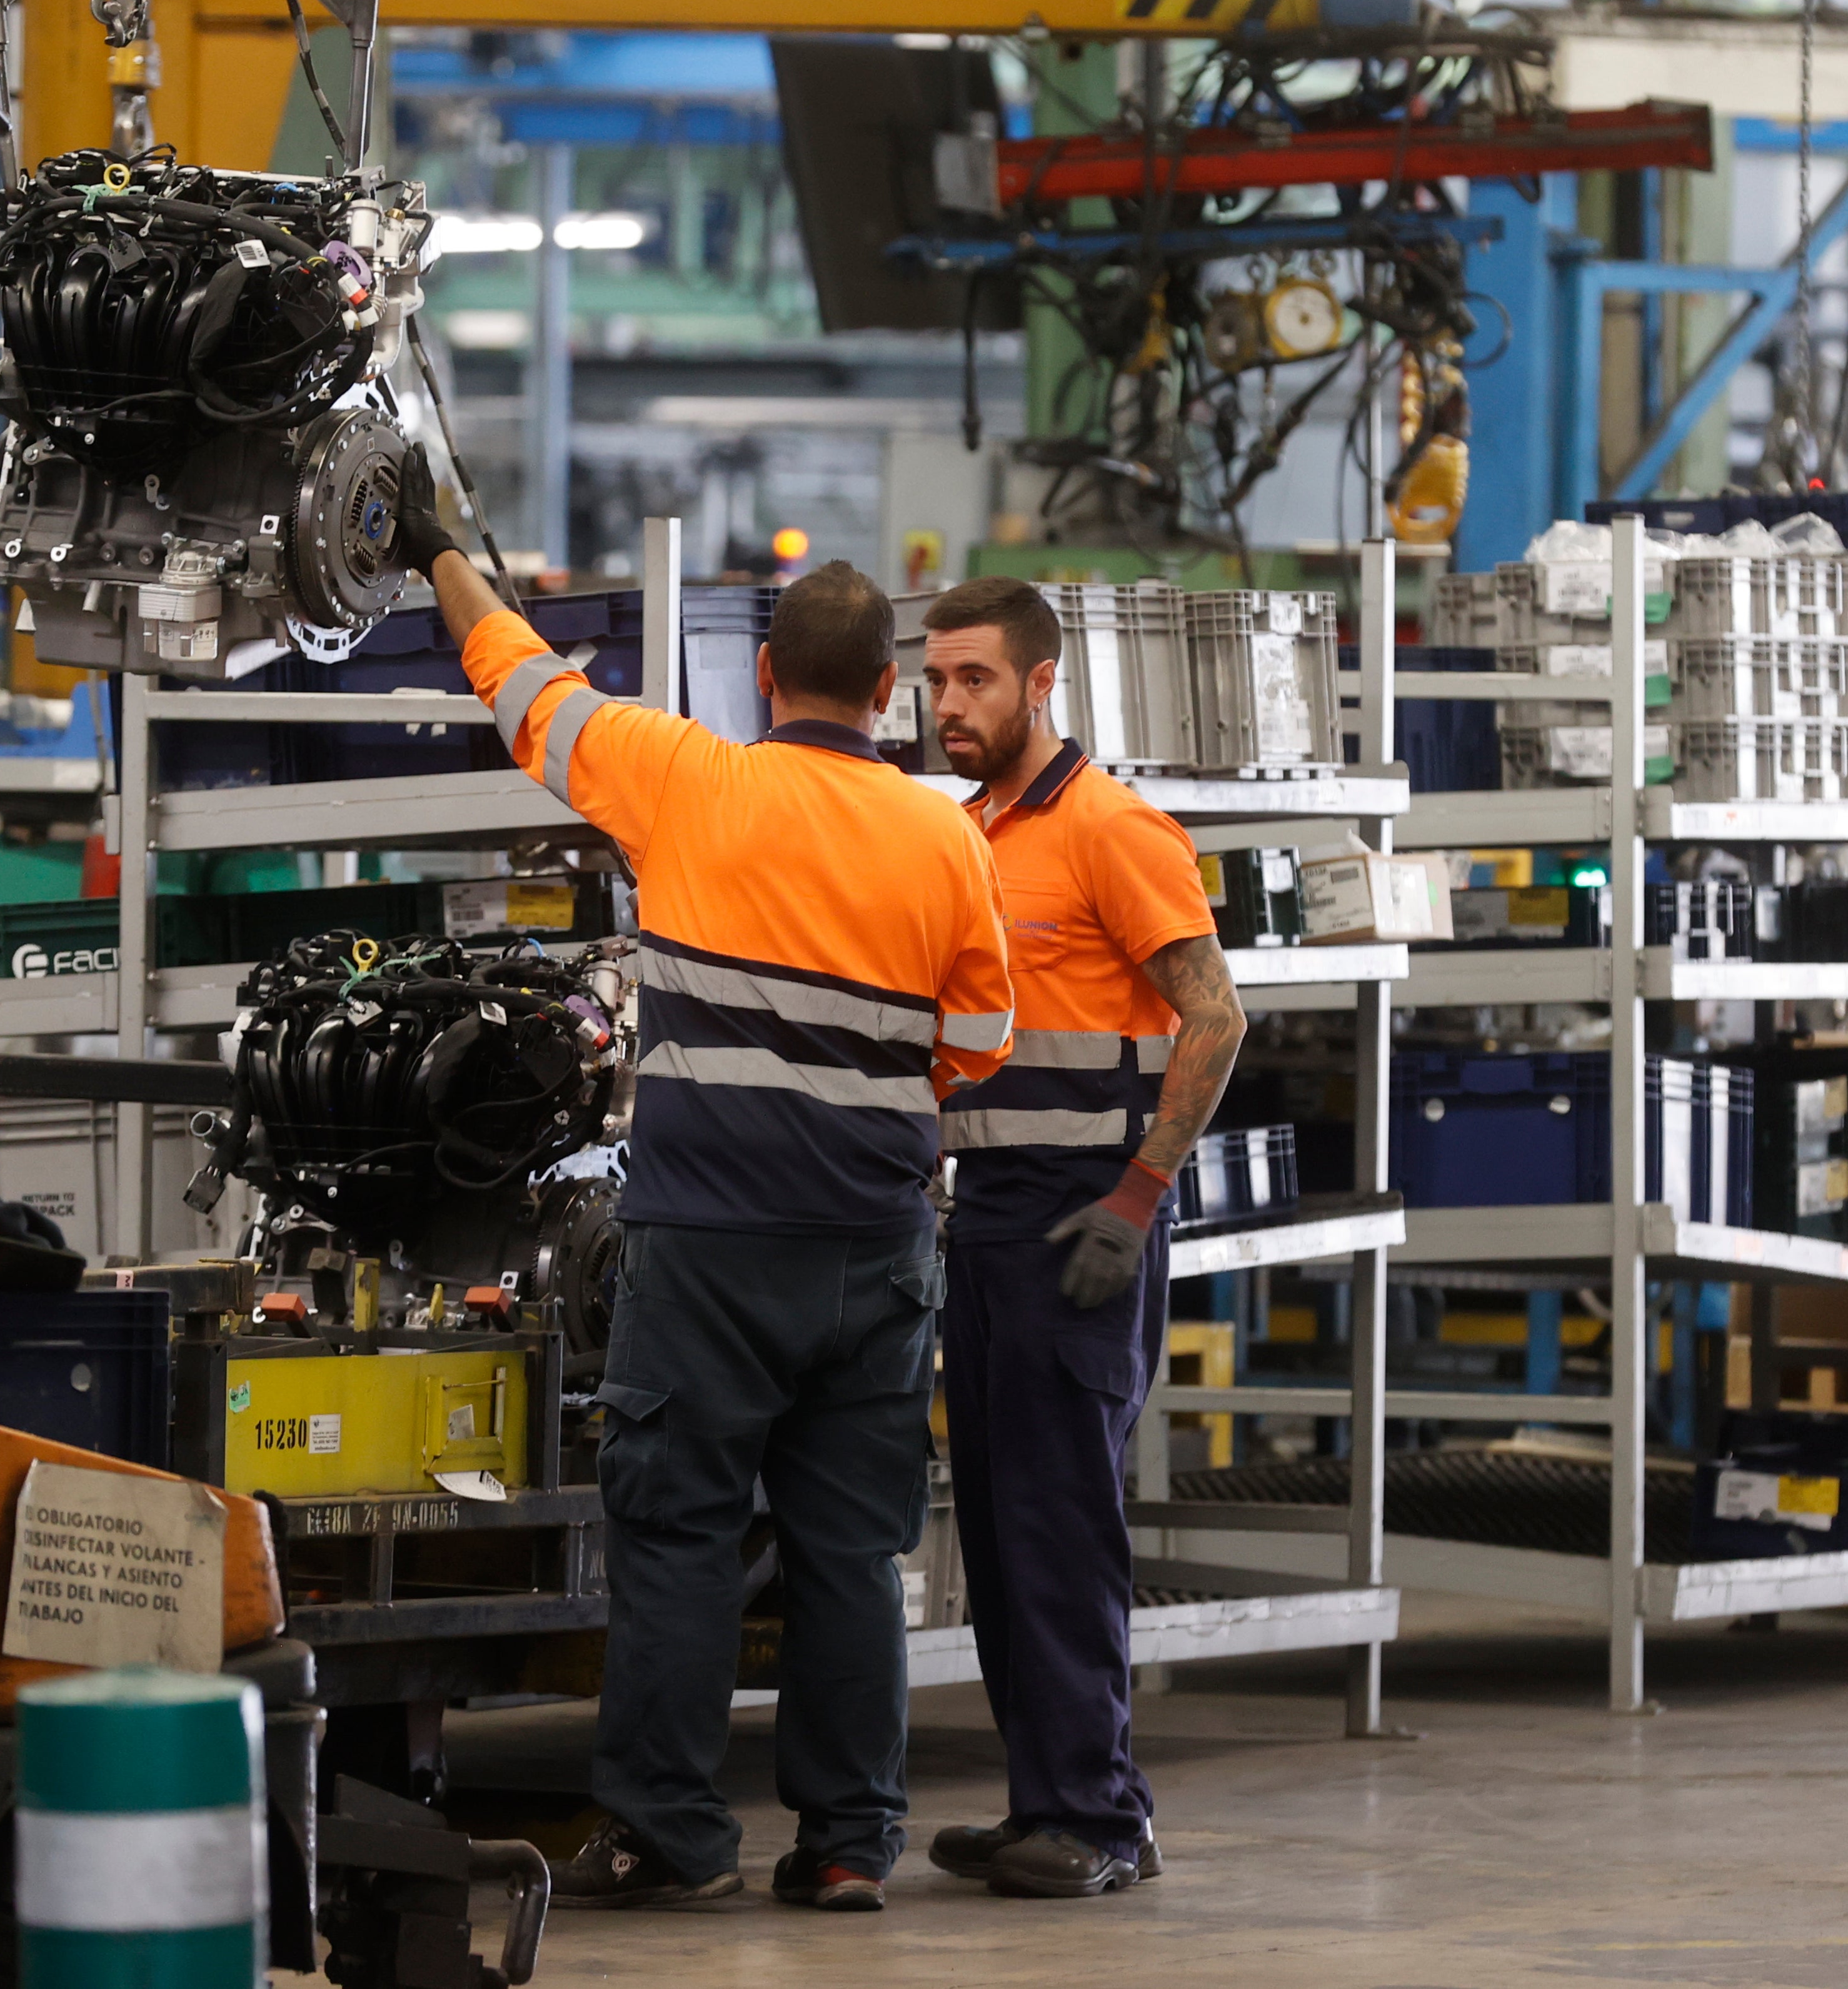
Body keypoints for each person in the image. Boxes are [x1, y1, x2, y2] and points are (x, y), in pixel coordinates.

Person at [393, 465, 1016, 1914]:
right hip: (873, 1248)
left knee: (676, 1546)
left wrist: (439, 553)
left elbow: (525, 686)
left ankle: (673, 1840)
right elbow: (979, 1043)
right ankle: (851, 1842)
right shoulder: (944, 837)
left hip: (708, 1245)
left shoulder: (683, 775)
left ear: (763, 679)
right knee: (852, 1554)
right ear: (883, 690)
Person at [913, 575, 1245, 1900]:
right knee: (994, 1531)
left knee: (1059, 1526)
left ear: (1041, 682)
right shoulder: (965, 835)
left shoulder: (1114, 831)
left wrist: (1136, 1196)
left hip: (1080, 1225)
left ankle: (1102, 1819)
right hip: (985, 1224)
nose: (947, 704)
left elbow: (1214, 1019)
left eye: (973, 680)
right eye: (933, 680)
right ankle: (1040, 1798)